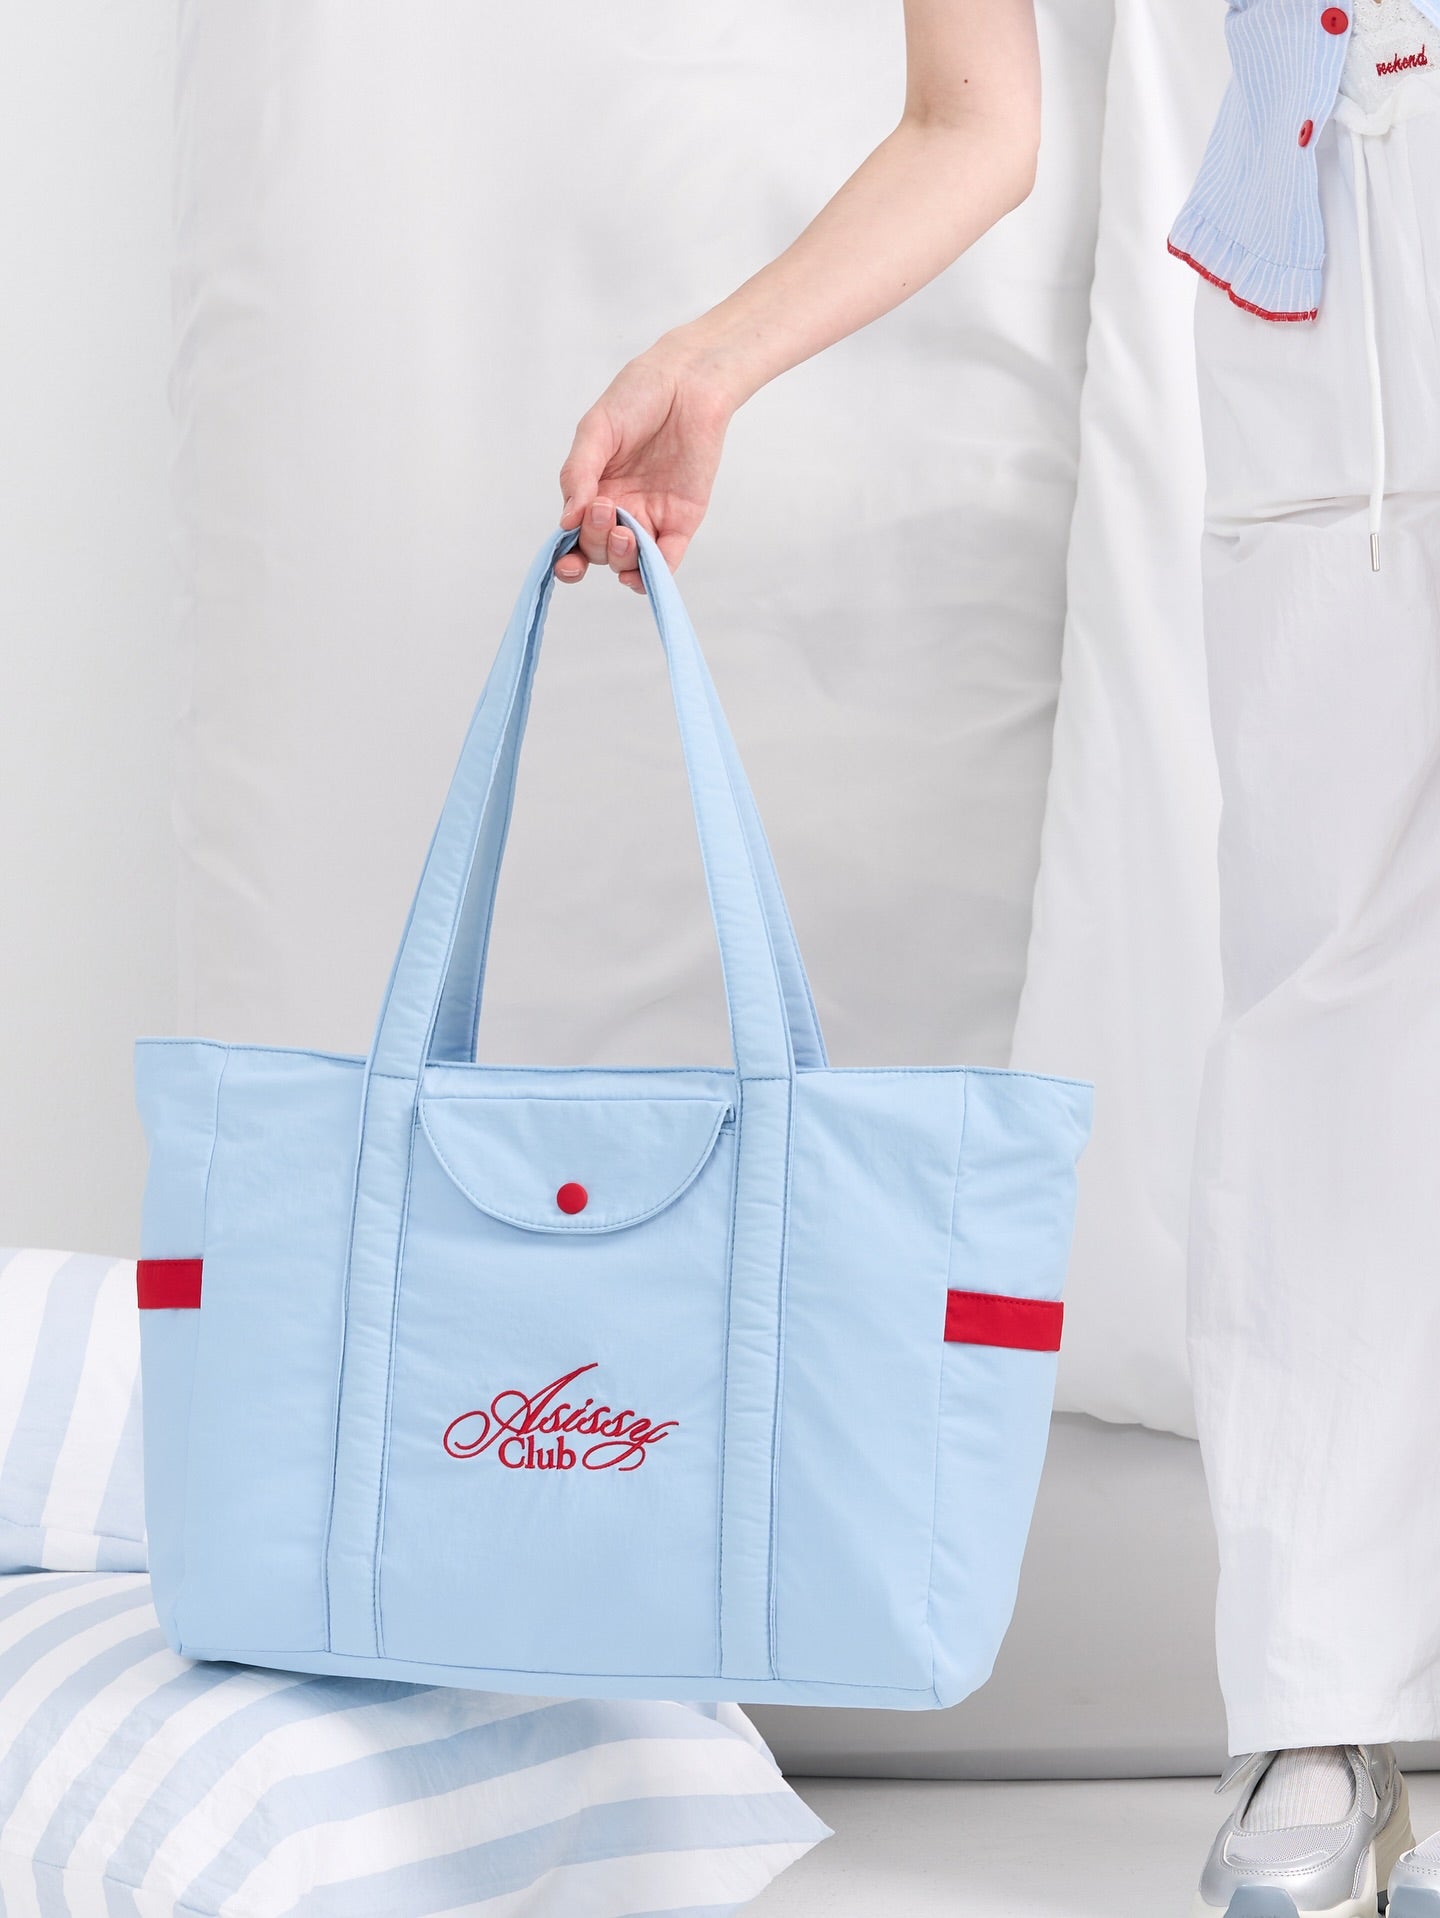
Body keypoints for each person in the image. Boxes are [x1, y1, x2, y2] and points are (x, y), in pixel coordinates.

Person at [554, 2, 1440, 1912]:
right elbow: (973, 120)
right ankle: (1325, 1707)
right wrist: (710, 362)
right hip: (1338, 366)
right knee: (1324, 1030)